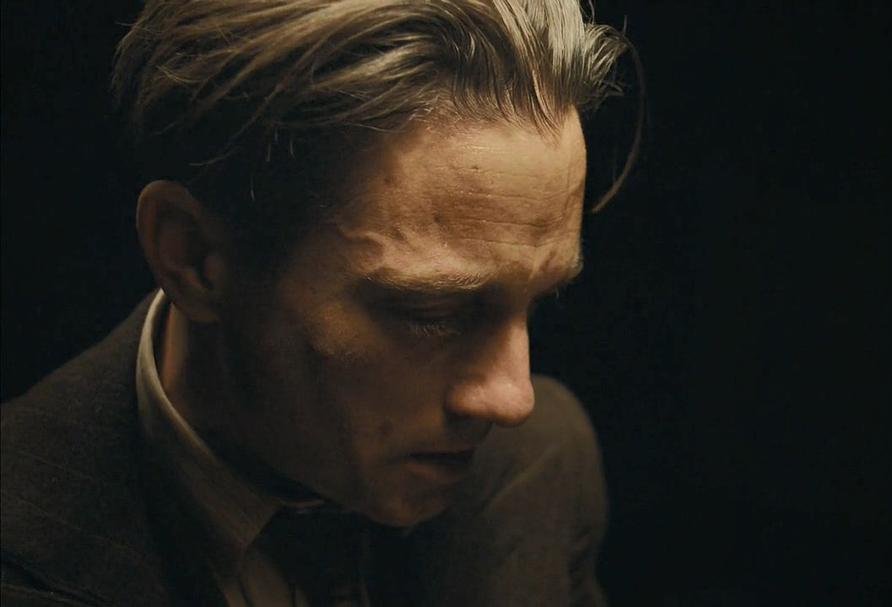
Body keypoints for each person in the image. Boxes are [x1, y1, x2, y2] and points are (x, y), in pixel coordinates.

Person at [0, 1, 638, 604]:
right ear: (194, 258)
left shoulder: (535, 469)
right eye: (433, 314)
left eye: (538, 301)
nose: (515, 400)